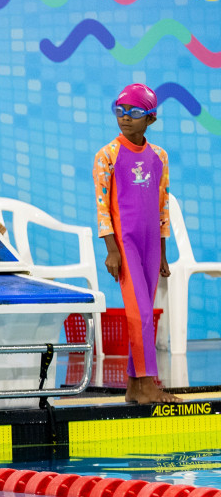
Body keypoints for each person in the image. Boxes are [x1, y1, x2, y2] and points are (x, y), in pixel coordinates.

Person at [94, 83, 174, 405]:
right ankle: (148, 384)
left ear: (150, 119)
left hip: (152, 245)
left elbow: (162, 205)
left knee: (143, 312)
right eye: (120, 111)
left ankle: (134, 386)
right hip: (125, 243)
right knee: (139, 312)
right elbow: (103, 208)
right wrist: (111, 249)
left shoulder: (159, 156)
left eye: (134, 112)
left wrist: (164, 252)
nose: (125, 118)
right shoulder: (107, 156)